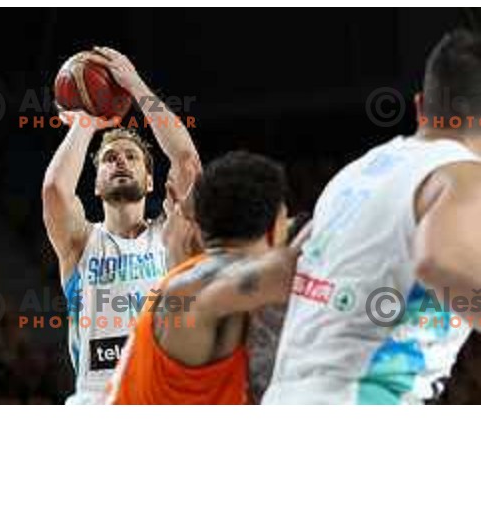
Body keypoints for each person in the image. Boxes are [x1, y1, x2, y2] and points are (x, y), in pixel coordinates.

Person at [263, 29, 481, 405]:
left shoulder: (355, 174)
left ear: (420, 107)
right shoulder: (463, 173)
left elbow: (284, 271)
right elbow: (437, 261)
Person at [42, 47, 200, 404]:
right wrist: (86, 121)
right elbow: (54, 190)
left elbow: (187, 162)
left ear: (149, 182)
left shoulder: (171, 236)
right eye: (110, 159)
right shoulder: (81, 241)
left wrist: (135, 85)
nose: (121, 162)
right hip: (98, 401)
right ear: (96, 184)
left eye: (132, 157)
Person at [107, 151, 309, 405]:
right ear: (277, 222)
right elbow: (280, 272)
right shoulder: (193, 293)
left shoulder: (184, 268)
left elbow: (186, 212)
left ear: (201, 230)